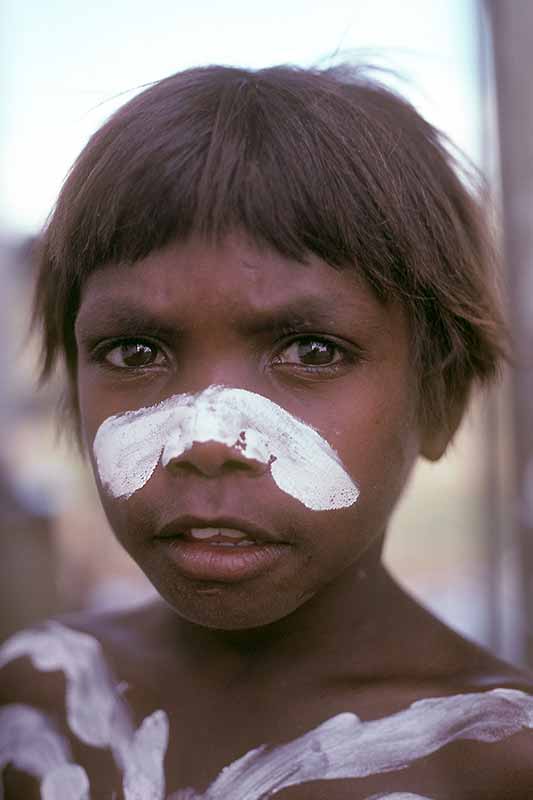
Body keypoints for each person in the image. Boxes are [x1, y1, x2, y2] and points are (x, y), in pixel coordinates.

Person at [1, 63, 532, 800]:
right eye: (135, 352)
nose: (208, 439)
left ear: (437, 397)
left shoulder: (495, 761)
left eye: (311, 352)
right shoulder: (39, 698)